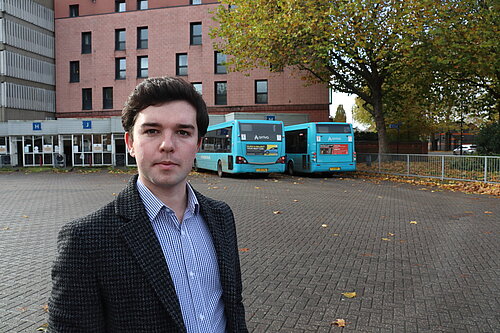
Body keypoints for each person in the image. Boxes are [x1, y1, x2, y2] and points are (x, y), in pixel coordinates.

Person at [48, 77, 248, 333]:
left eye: (183, 132)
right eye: (152, 131)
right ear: (130, 142)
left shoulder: (221, 217)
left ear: (198, 144)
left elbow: (232, 306)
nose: (167, 145)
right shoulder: (85, 240)